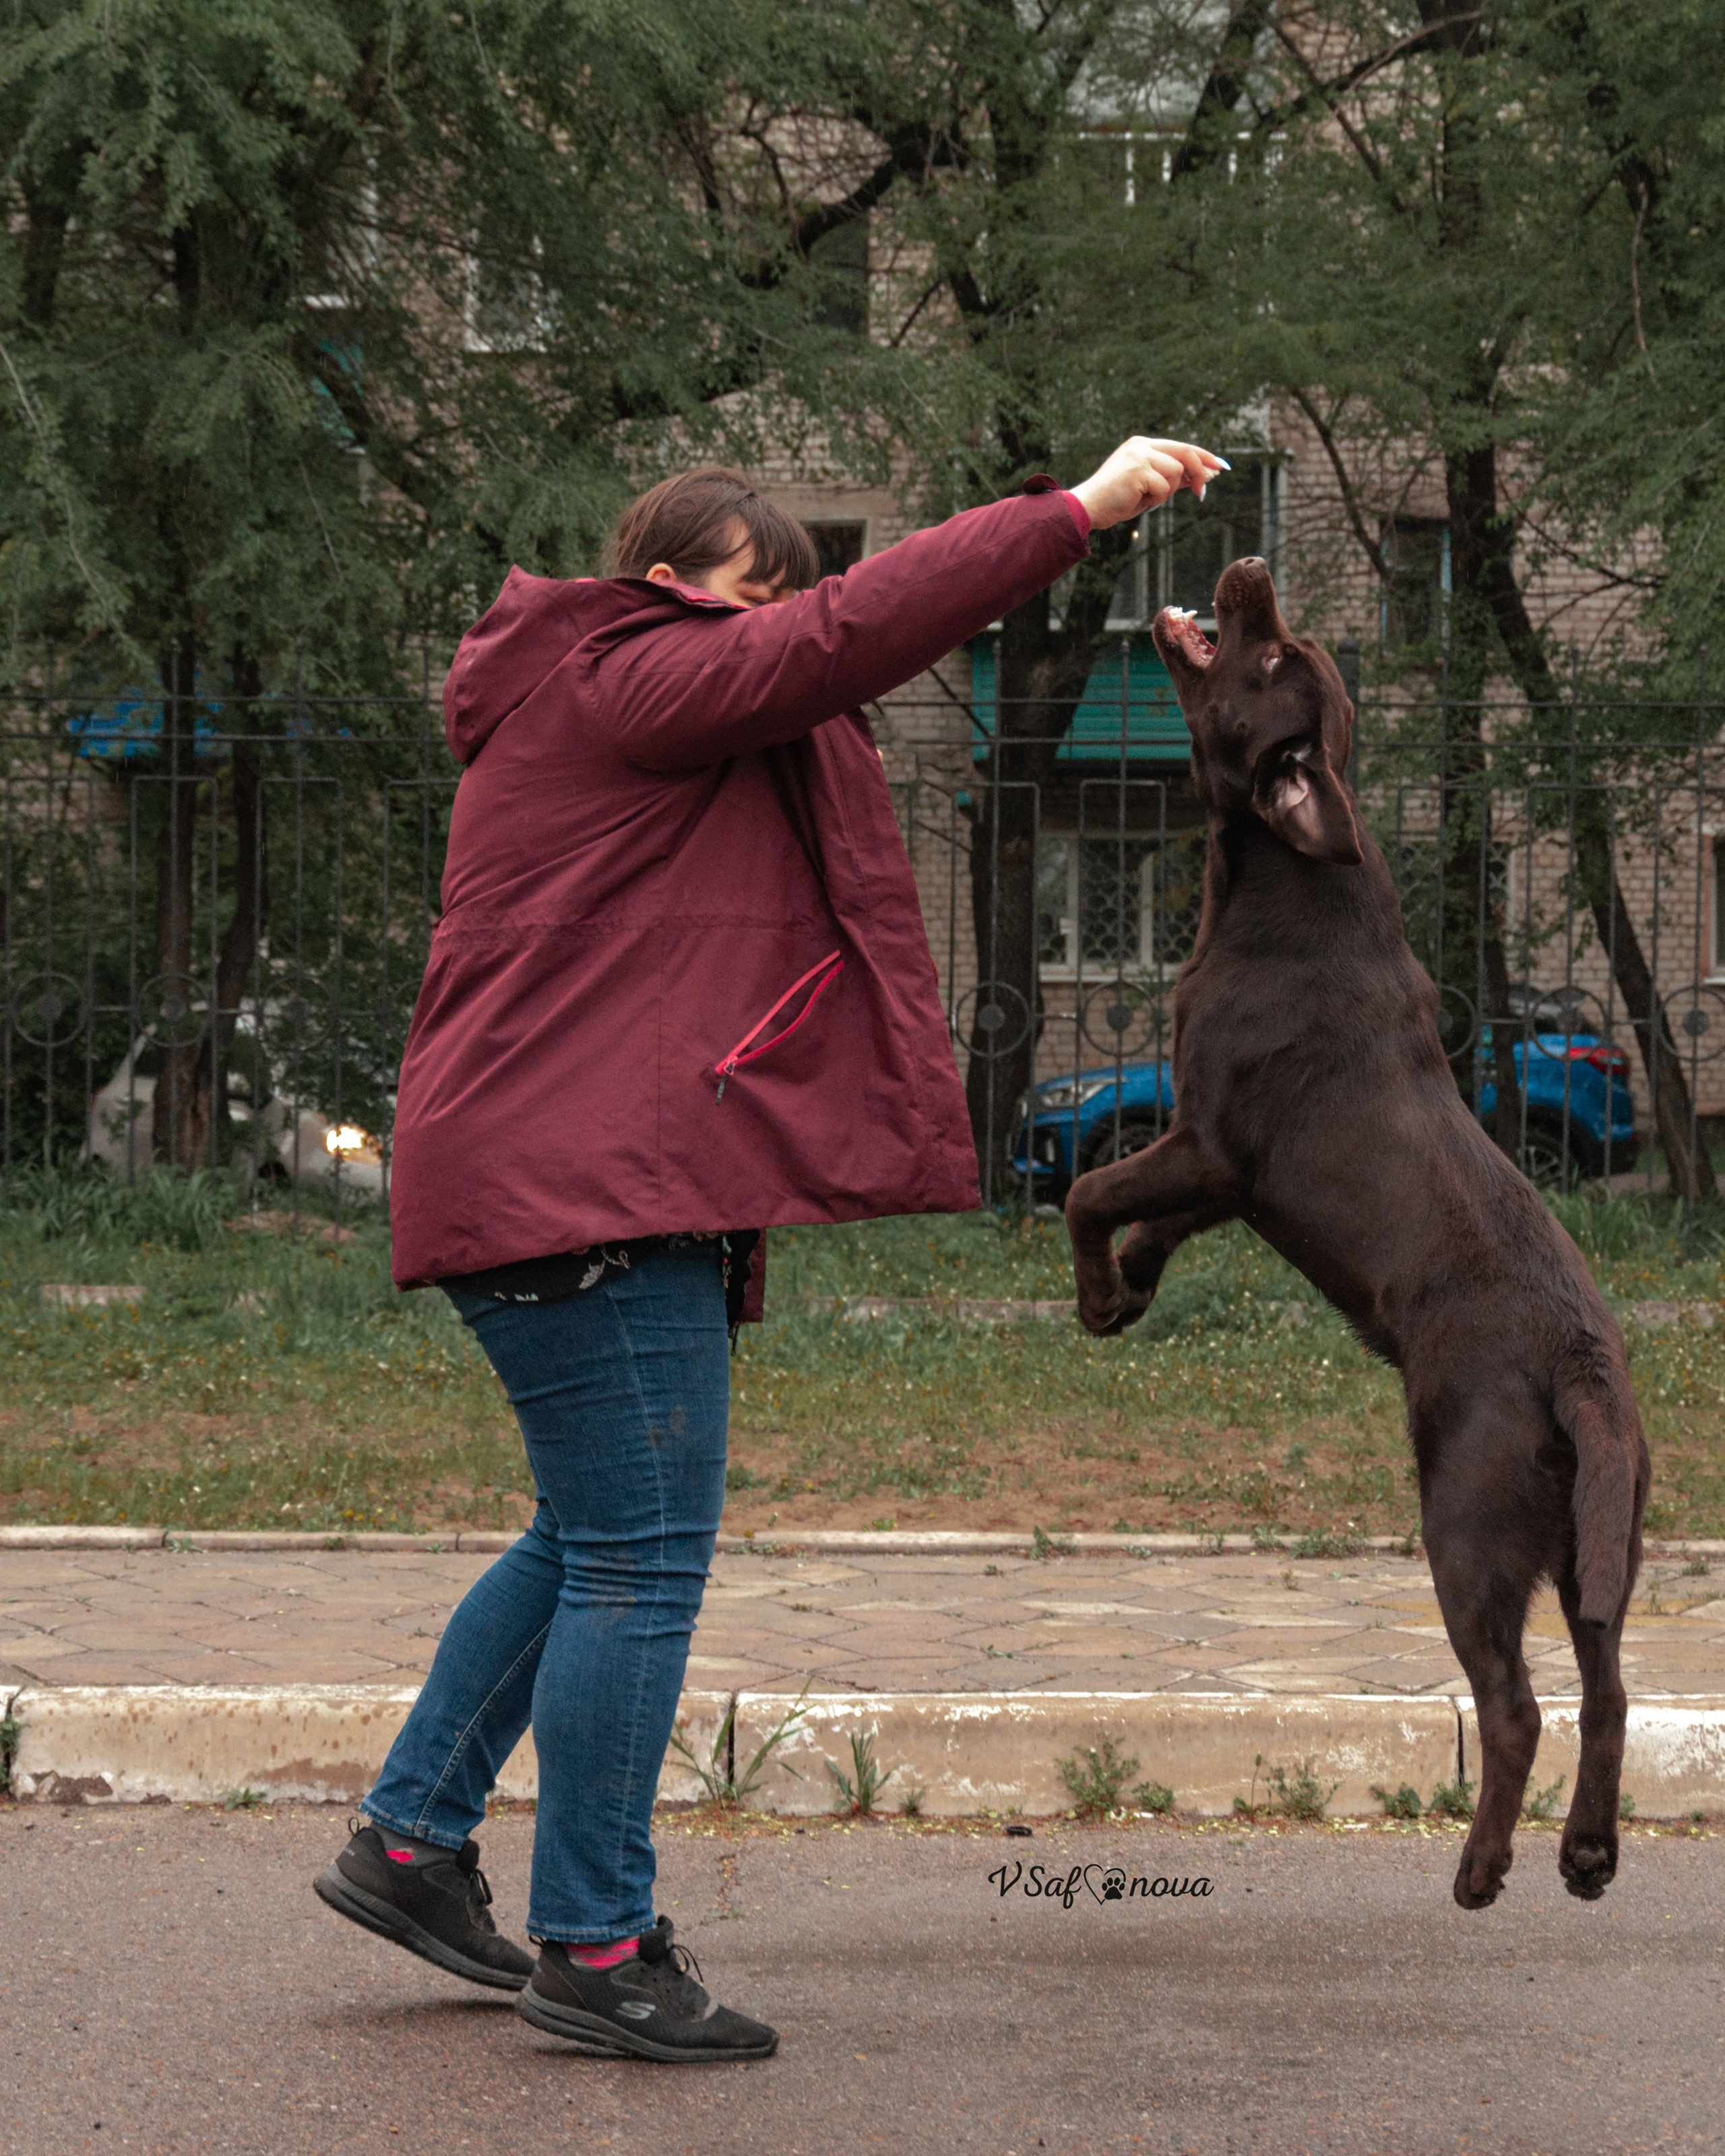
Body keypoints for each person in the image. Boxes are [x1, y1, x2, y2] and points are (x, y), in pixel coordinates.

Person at [313, 434, 1225, 2062]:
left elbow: (805, 682)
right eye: (756, 595)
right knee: (638, 1559)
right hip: (581, 1189)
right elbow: (833, 645)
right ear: (671, 587)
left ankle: (405, 1842)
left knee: (586, 1536)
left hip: (559, 1173)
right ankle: (592, 1942)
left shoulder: (611, 705)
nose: (774, 632)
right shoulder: (629, 673)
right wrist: (1072, 516)